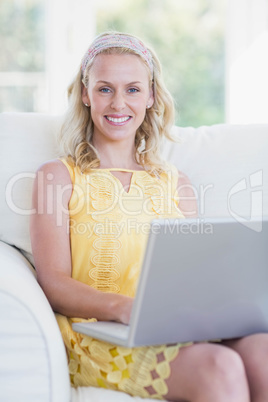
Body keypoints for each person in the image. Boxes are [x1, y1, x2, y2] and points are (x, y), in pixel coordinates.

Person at [30, 31, 268, 402]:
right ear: (85, 93)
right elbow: (53, 281)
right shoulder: (58, 176)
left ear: (152, 96)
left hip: (174, 324)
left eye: (133, 89)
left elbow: (196, 275)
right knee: (219, 369)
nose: (118, 103)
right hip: (99, 331)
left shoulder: (177, 184)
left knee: (262, 353)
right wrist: (123, 308)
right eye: (105, 89)